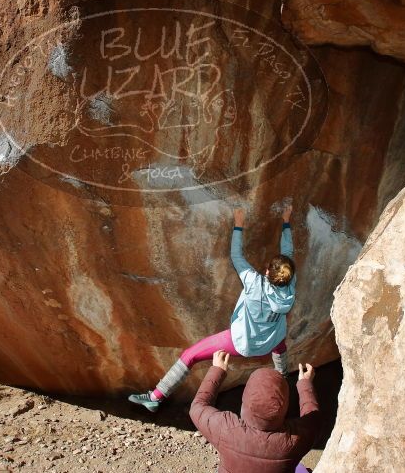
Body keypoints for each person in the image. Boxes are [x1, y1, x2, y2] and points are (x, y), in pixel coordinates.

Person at [129, 202, 297, 412]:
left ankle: (156, 396)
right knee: (279, 348)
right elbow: (288, 252)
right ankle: (284, 382)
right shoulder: (290, 286)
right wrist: (286, 221)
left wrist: (238, 224)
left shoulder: (254, 282)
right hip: (272, 339)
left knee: (190, 354)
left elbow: (237, 256)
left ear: (267, 272)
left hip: (242, 342)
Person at [190, 350, 321, 473]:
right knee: (302, 469)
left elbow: (197, 407)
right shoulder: (297, 439)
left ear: (245, 398)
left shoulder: (225, 429)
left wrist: (217, 370)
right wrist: (305, 384)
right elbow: (313, 419)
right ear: (285, 404)